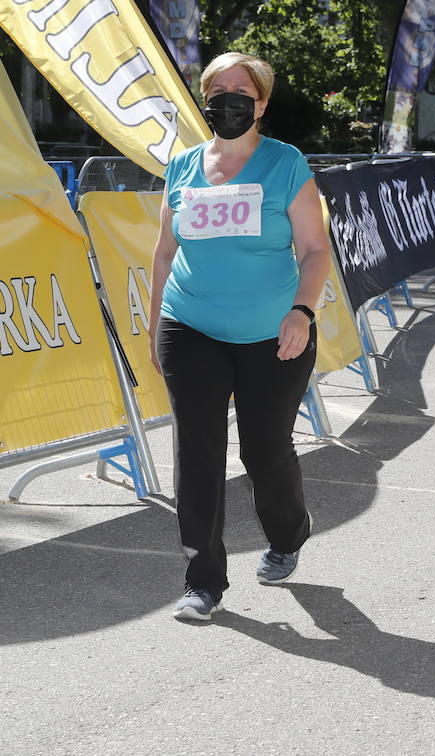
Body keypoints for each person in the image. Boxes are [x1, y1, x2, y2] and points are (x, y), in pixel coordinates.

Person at [149, 52, 331, 621]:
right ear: (204, 99)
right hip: (191, 325)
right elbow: (163, 253)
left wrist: (302, 311)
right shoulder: (181, 167)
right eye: (217, 88)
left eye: (241, 89)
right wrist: (154, 325)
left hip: (272, 333)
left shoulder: (285, 164)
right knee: (197, 453)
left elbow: (316, 249)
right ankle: (203, 580)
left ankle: (287, 532)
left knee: (263, 448)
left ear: (262, 103)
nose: (228, 97)